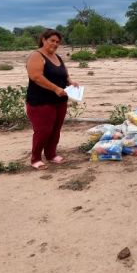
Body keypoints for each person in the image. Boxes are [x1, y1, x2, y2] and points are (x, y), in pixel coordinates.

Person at [25, 29, 79, 170]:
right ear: (44, 39)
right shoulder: (36, 56)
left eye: (57, 42)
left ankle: (51, 154)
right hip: (40, 101)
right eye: (52, 40)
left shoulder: (58, 57)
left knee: (56, 129)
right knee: (43, 131)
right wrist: (55, 88)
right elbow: (36, 77)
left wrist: (70, 82)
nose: (55, 44)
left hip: (60, 101)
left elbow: (64, 75)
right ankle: (35, 158)